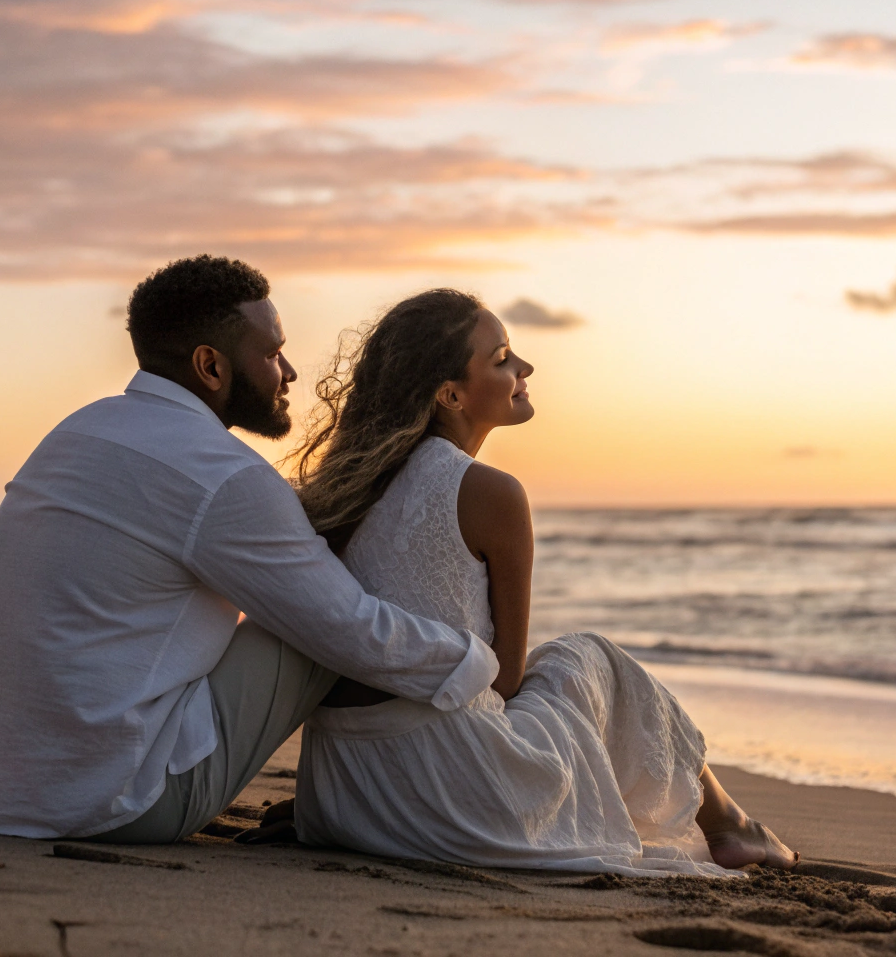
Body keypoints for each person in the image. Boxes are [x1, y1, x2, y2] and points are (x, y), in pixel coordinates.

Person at [0, 256, 498, 842]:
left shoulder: (76, 432)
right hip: (111, 803)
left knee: (300, 603)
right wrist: (478, 663)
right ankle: (375, 803)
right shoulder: (225, 477)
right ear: (211, 365)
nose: (289, 373)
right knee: (318, 617)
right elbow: (347, 629)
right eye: (273, 353)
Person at [272, 288, 798, 875]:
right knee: (584, 657)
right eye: (500, 358)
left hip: (347, 790)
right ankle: (731, 824)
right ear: (450, 395)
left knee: (559, 666)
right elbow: (508, 677)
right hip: (464, 798)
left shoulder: (338, 491)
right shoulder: (491, 492)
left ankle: (731, 822)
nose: (524, 368)